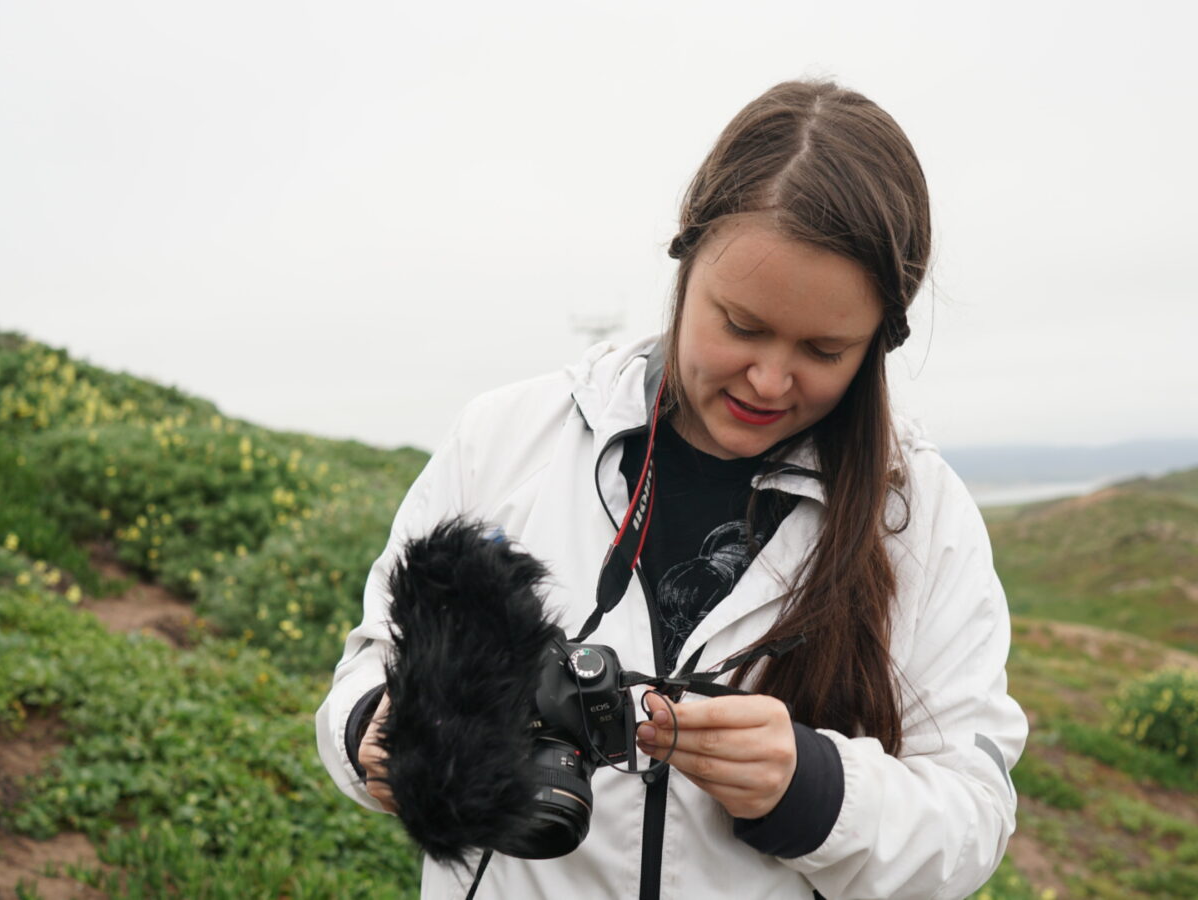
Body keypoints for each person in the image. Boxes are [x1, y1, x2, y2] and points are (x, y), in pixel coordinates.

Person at [316, 79, 1028, 900]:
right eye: (741, 325)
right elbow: (369, 670)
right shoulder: (507, 440)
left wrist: (815, 789)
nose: (767, 379)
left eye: (825, 350)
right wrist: (380, 735)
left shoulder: (920, 520)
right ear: (685, 263)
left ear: (879, 341)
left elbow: (973, 821)